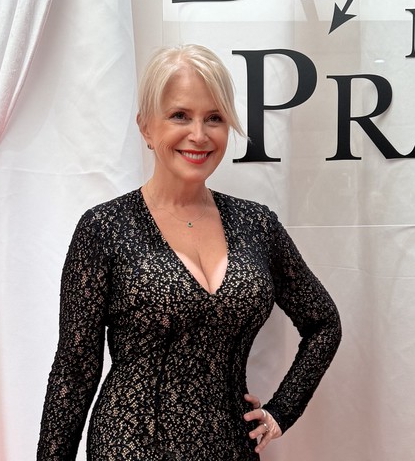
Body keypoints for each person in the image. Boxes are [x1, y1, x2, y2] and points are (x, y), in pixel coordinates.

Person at [38, 44, 341, 460]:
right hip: (130, 447)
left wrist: (281, 411)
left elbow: (324, 324)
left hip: (231, 448)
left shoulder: (257, 225)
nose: (199, 134)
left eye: (214, 118)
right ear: (146, 127)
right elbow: (75, 370)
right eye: (180, 115)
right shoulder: (104, 228)